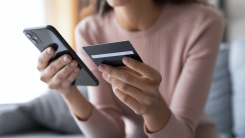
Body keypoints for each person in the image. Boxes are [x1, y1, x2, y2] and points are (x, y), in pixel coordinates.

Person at [37, 0, 224, 137]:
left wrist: (153, 109)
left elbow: (183, 132)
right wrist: (68, 92)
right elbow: (111, 134)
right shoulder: (89, 30)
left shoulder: (203, 23)